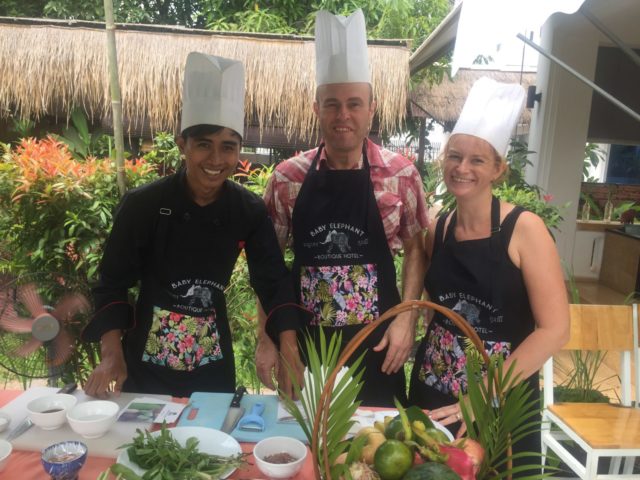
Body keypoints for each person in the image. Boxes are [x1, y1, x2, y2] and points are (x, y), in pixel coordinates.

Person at [82, 52, 299, 398]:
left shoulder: (247, 210)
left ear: (239, 150)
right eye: (203, 145)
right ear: (182, 144)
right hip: (145, 364)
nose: (215, 160)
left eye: (228, 148)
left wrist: (287, 346)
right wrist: (112, 353)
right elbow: (111, 283)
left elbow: (273, 282)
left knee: (211, 445)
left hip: (211, 362)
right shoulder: (144, 204)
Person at [259, 9, 429, 407]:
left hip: (378, 343)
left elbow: (417, 250)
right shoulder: (287, 179)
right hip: (303, 346)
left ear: (371, 107)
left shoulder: (401, 175)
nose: (343, 115)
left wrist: (407, 319)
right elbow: (268, 268)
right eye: (332, 104)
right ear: (316, 108)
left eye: (354, 103)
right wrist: (267, 338)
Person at [408, 77, 570, 459]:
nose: (462, 168)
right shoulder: (440, 227)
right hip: (434, 387)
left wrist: (482, 393)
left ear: (498, 169)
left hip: (502, 397)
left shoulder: (524, 229)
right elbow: (439, 306)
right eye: (454, 156)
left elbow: (555, 330)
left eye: (477, 160)